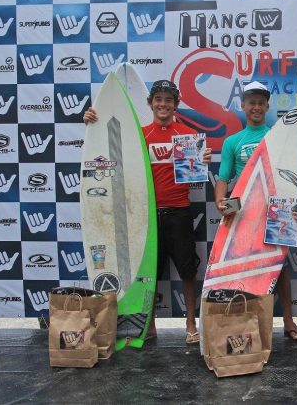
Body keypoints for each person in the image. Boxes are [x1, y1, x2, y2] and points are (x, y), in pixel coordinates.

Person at [83, 79, 212, 345]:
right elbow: (108, 148)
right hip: (147, 217)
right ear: (150, 103)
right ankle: (147, 327)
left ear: (176, 105)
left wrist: (203, 160)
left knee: (188, 271)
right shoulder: (140, 135)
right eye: (158, 100)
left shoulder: (187, 135)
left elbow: (194, 176)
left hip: (180, 213)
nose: (163, 104)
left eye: (168, 100)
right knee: (149, 273)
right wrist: (92, 121)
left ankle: (191, 324)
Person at [215, 81, 297, 341]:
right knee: (242, 269)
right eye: (251, 102)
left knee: (280, 269)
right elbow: (223, 178)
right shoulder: (233, 141)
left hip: (276, 212)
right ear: (243, 106)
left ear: (267, 106)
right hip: (244, 214)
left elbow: (294, 177)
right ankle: (245, 323)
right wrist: (220, 201)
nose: (256, 107)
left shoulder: (278, 137)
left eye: (260, 103)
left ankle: (288, 320)